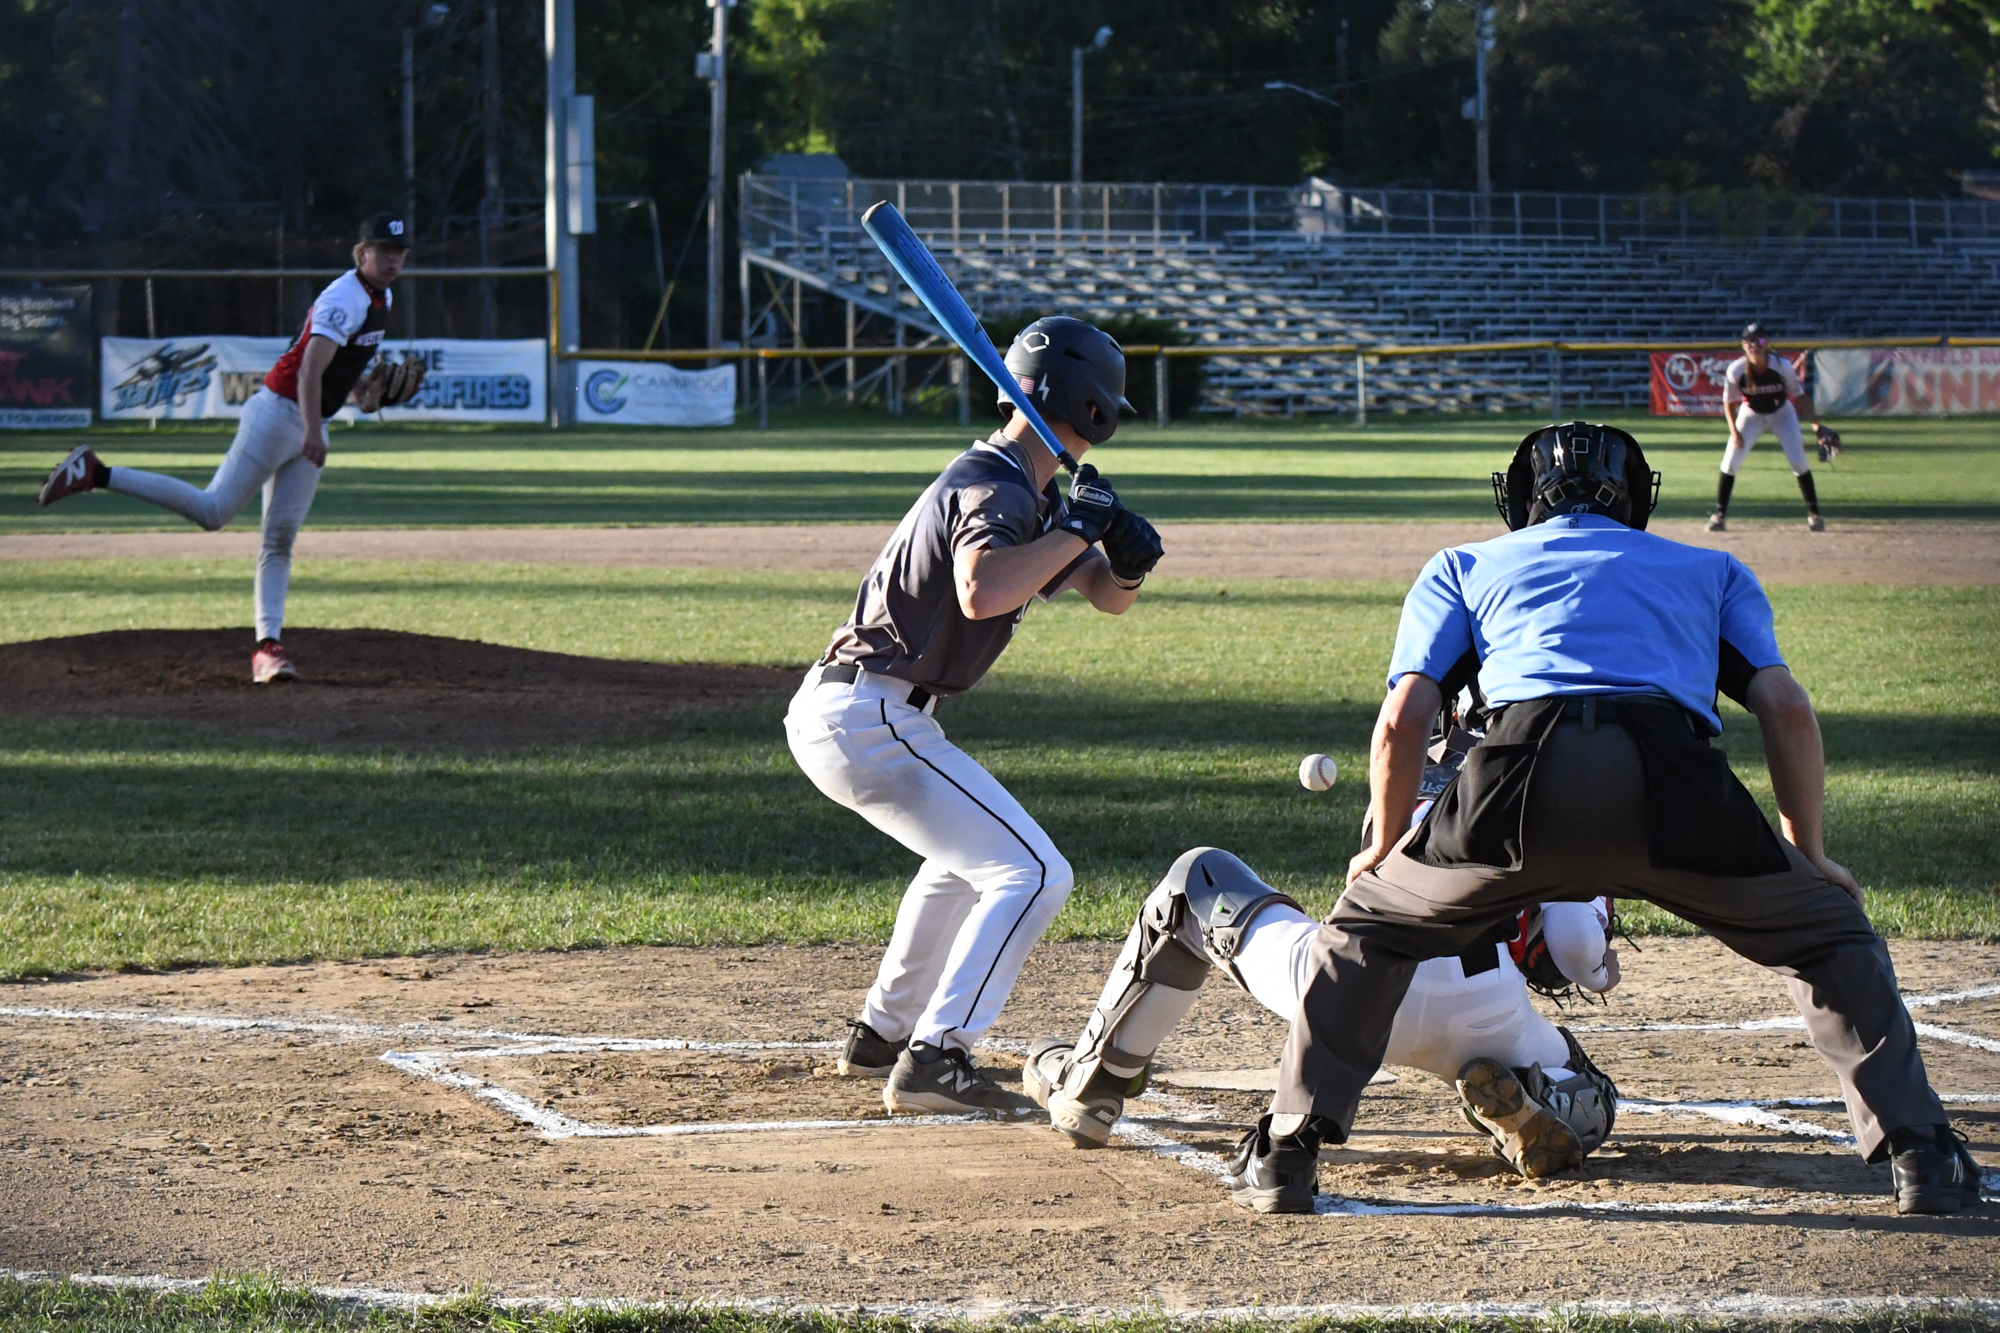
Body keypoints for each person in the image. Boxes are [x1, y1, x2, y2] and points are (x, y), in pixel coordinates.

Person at [1228, 421, 1980, 1217]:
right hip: (1676, 790)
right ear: (1636, 497)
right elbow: (1786, 711)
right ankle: (1921, 1155)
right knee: (1831, 933)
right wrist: (1810, 856)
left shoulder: (1463, 564)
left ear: (1521, 497)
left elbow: (1403, 717)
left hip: (1512, 786)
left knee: (1367, 930)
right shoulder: (1712, 568)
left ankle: (1286, 1151)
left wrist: (1380, 847)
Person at [787, 316, 1165, 1118]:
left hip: (868, 712)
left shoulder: (1031, 489)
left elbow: (1103, 595)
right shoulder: (995, 481)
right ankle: (938, 1057)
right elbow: (984, 589)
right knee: (1033, 872)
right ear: (1090, 406)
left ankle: (884, 1035)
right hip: (870, 712)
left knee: (965, 865)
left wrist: (1122, 562)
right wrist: (1073, 530)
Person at [1022, 713, 1623, 1189]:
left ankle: (1093, 1085)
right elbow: (1573, 949)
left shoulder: (1406, 754)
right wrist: (1601, 966)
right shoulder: (1561, 790)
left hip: (1349, 992)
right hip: (1486, 1010)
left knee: (1195, 879)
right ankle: (1540, 1099)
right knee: (1588, 1085)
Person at [37, 214, 416, 683]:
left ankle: (267, 649)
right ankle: (96, 473)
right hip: (280, 415)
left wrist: (364, 393)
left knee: (279, 539)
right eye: (384, 249)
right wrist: (314, 432)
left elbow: (336, 372)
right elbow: (307, 373)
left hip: (308, 420)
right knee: (213, 511)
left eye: (399, 251)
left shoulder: (383, 296)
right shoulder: (345, 297)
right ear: (362, 253)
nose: (394, 259)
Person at [1707, 321, 1832, 533]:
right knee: (1730, 462)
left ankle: (1815, 515)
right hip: (1751, 414)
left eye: (1761, 340)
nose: (1755, 345)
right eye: (1750, 341)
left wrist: (1816, 426)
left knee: (1798, 462)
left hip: (1782, 414)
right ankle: (1719, 515)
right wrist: (1734, 431)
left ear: (1767, 344)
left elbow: (1800, 397)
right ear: (1744, 345)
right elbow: (1729, 403)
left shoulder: (1782, 367)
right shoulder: (1736, 370)